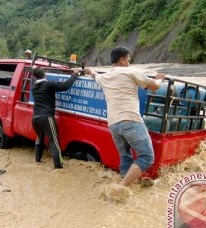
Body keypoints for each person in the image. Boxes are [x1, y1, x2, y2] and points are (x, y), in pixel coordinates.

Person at [84, 46, 165, 192]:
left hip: (114, 125)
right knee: (146, 157)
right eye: (128, 59)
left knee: (126, 157)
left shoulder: (105, 77)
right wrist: (159, 79)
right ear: (121, 60)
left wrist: (89, 70)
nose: (129, 62)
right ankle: (120, 188)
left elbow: (95, 75)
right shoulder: (131, 72)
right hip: (131, 121)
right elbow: (154, 86)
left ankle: (123, 188)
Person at [32, 66, 80, 168]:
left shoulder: (34, 86)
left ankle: (37, 161)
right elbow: (65, 86)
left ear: (34, 77)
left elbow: (38, 79)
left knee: (39, 139)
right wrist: (75, 74)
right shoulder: (48, 84)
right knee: (54, 142)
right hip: (46, 118)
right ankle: (58, 167)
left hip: (35, 118)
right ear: (45, 74)